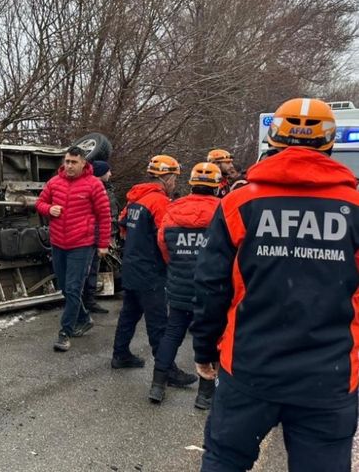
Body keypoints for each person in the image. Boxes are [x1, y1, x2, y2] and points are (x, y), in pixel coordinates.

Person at [192, 98, 359, 471]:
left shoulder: (238, 203)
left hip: (249, 366)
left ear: (274, 139)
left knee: (224, 460)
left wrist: (204, 348)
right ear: (330, 143)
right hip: (328, 375)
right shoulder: (354, 206)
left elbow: (210, 285)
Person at [110, 155, 196, 386]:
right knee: (159, 322)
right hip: (151, 270)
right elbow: (165, 236)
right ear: (166, 177)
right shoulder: (159, 202)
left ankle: (120, 354)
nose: (175, 183)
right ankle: (167, 371)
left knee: (129, 314)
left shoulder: (135, 198)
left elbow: (122, 226)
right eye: (174, 178)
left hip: (132, 265)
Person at [148, 162, 222, 407]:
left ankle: (157, 385)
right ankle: (205, 394)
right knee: (211, 338)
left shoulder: (173, 210)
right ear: (217, 186)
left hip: (179, 284)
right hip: (211, 288)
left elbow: (163, 246)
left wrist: (178, 266)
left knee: (172, 333)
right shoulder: (223, 211)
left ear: (191, 184)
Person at [36, 147, 112, 352]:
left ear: (83, 163)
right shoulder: (54, 182)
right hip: (58, 243)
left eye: (73, 162)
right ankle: (84, 317)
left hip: (82, 244)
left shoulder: (94, 185)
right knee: (64, 286)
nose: (69, 166)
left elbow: (104, 216)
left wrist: (103, 244)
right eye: (67, 161)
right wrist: (48, 209)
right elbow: (40, 202)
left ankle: (65, 333)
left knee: (73, 288)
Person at [81, 160, 117, 315]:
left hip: (94, 236)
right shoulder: (95, 189)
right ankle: (85, 303)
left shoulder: (99, 187)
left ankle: (88, 301)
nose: (110, 174)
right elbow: (102, 216)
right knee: (87, 271)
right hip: (90, 237)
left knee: (92, 270)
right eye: (108, 171)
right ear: (101, 172)